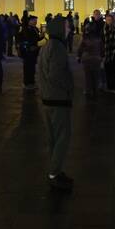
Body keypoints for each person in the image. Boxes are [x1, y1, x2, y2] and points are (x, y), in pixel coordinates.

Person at [38, 14, 74, 191]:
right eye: (66, 27)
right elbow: (56, 74)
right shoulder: (58, 47)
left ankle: (55, 171)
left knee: (53, 138)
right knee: (62, 137)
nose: (69, 29)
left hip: (47, 97)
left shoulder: (47, 45)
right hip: (58, 98)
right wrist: (69, 87)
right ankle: (54, 173)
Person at [76, 19, 103, 99]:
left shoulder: (84, 38)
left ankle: (88, 90)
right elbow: (102, 49)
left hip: (86, 59)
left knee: (87, 76)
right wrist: (102, 56)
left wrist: (78, 56)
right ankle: (95, 90)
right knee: (96, 76)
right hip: (96, 59)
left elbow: (80, 48)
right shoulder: (98, 38)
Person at [17, 14, 41, 91]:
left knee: (32, 68)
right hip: (28, 52)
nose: (35, 22)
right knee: (28, 68)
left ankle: (31, 82)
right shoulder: (26, 29)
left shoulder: (35, 29)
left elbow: (37, 38)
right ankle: (27, 83)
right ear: (29, 21)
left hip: (34, 52)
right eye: (34, 20)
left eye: (36, 20)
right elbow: (24, 40)